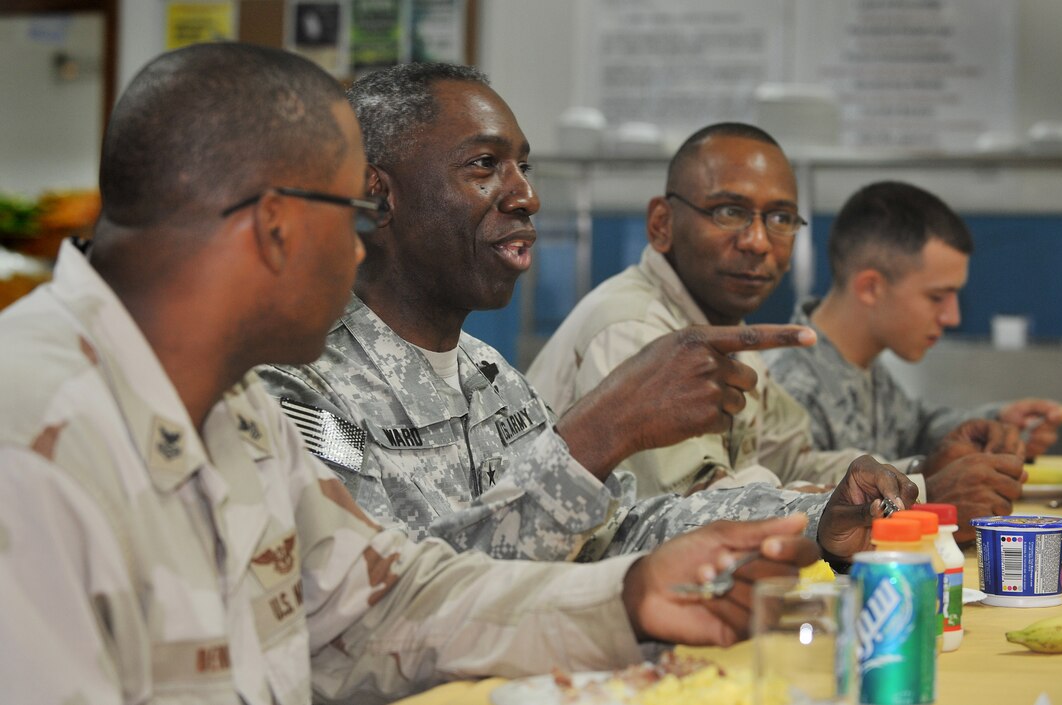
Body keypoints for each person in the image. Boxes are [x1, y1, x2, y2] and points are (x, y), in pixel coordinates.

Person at [0, 44, 901, 704]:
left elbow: (379, 605)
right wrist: (598, 435)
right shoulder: (36, 433)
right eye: (355, 207)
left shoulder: (231, 408)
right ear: (276, 225)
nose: (360, 241)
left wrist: (629, 592)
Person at [259, 63, 910, 564]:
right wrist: (599, 432)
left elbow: (607, 532)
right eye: (486, 165)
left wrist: (818, 520)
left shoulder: (487, 374)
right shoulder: (301, 393)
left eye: (525, 166)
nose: (527, 195)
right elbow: (399, 605)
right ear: (378, 196)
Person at [527, 123, 1026, 542]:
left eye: (781, 218)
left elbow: (789, 458)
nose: (759, 241)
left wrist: (918, 468)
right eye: (730, 212)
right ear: (662, 224)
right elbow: (693, 513)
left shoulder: (723, 325)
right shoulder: (635, 329)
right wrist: (924, 497)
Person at [763, 180, 1062, 462]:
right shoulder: (788, 390)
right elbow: (808, 511)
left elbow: (914, 432)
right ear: (871, 288)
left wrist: (996, 424)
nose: (952, 317)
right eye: (937, 297)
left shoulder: (862, 368)